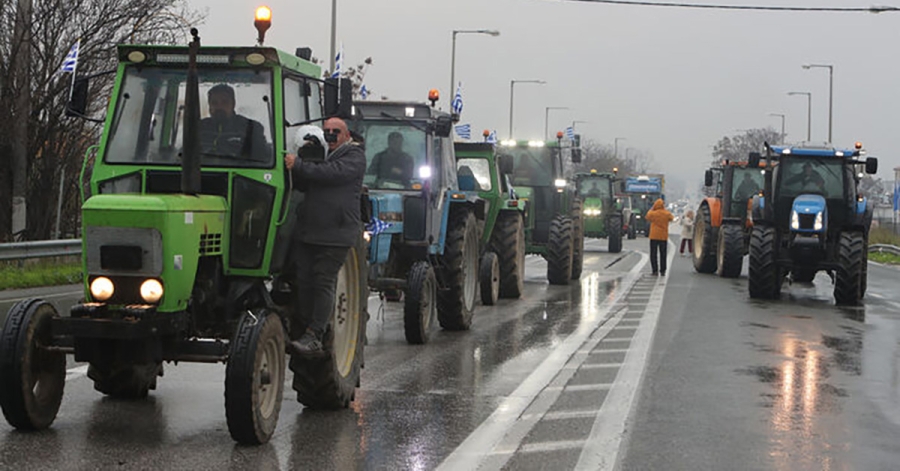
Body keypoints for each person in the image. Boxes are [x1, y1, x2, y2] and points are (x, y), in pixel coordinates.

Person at [284, 117, 366, 355]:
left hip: (336, 234)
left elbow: (331, 174)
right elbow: (302, 183)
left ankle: (316, 334)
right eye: (327, 132)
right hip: (310, 232)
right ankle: (304, 327)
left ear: (346, 135)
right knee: (305, 283)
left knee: (323, 281)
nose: (331, 136)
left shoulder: (353, 157)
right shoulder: (320, 155)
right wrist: (302, 157)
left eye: (335, 132)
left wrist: (299, 164)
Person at [199, 84, 269, 161]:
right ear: (209, 105)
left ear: (233, 104)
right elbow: (185, 156)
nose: (219, 107)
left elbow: (262, 161)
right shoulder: (198, 128)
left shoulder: (251, 128)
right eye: (214, 103)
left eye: (224, 102)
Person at [645, 198, 674, 276]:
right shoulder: (666, 213)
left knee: (653, 254)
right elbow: (672, 218)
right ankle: (663, 270)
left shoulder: (652, 213)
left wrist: (652, 208)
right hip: (663, 236)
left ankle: (654, 270)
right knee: (663, 254)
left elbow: (647, 216)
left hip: (654, 236)